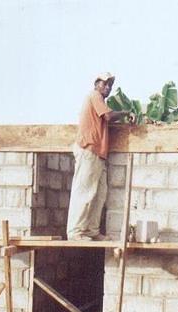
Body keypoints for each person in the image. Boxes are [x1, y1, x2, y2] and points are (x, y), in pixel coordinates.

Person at [66, 72, 133, 241]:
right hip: (88, 149)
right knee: (84, 192)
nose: (108, 87)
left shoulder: (100, 101)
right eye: (105, 84)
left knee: (99, 193)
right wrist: (126, 113)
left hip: (98, 153)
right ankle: (75, 232)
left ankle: (91, 231)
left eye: (110, 85)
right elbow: (109, 115)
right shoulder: (94, 96)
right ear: (96, 84)